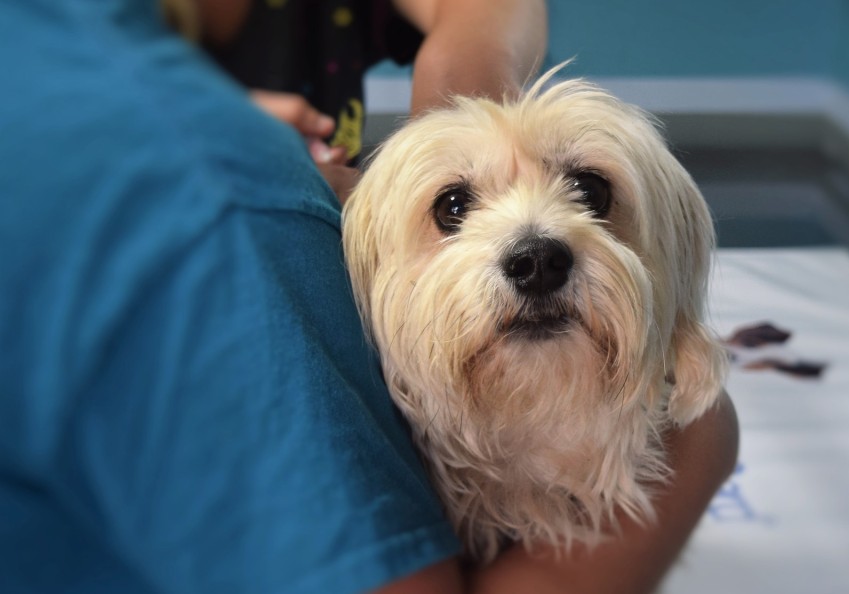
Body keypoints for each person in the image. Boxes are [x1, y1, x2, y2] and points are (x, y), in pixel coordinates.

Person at [0, 2, 738, 594]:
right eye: (454, 210)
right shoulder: (216, 206)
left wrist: (450, 127)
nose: (537, 246)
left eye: (590, 189)